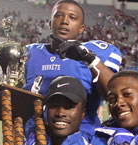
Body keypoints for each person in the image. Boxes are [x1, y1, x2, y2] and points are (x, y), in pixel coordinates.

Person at [22, 0, 122, 132]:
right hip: (35, 140)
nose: (64, 21)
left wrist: (90, 59)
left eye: (72, 17)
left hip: (81, 140)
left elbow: (114, 94)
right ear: (50, 23)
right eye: (59, 15)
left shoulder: (96, 53)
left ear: (81, 28)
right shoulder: (29, 54)